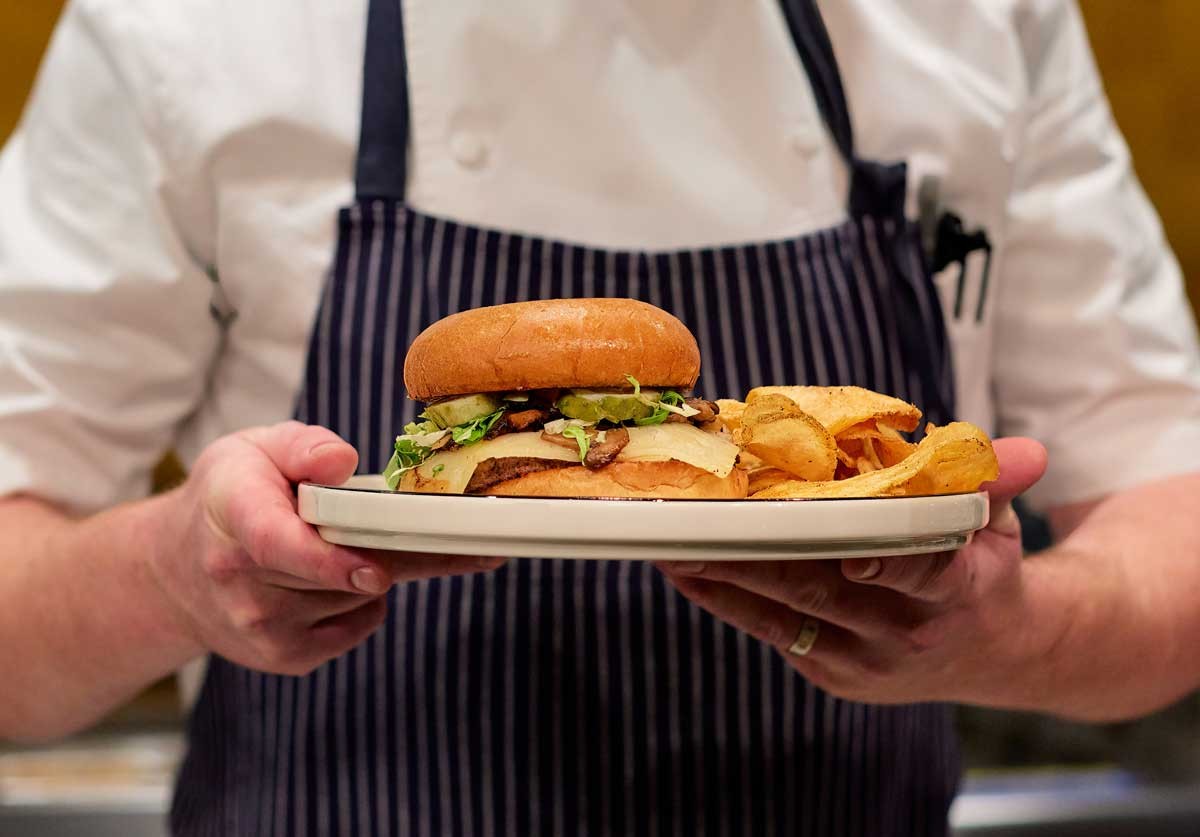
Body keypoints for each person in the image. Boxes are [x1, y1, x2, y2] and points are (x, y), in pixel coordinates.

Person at [2, 1, 1199, 834]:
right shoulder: (185, 29)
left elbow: (1172, 515)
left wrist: (1018, 633)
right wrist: (175, 576)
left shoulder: (981, 20)